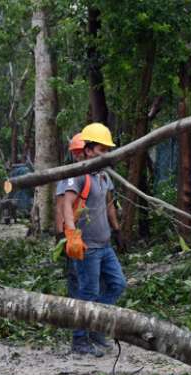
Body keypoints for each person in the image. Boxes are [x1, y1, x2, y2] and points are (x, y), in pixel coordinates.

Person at [62, 123, 125, 357]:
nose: (106, 154)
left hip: (105, 245)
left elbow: (109, 205)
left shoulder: (104, 176)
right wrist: (71, 234)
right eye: (102, 149)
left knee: (117, 284)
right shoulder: (78, 175)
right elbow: (67, 204)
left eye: (108, 150)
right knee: (87, 292)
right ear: (88, 150)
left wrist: (117, 230)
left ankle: (96, 327)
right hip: (87, 246)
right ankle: (79, 339)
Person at [55, 133, 86, 299]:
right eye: (75, 152)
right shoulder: (68, 177)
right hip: (73, 233)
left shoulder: (98, 174)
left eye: (80, 150)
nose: (78, 155)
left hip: (93, 233)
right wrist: (60, 232)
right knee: (75, 274)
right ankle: (76, 313)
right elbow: (60, 206)